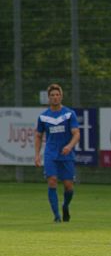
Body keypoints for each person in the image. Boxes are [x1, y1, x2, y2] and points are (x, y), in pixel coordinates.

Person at [34, 84, 80, 223]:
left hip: (66, 154)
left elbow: (76, 133)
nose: (55, 97)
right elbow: (38, 136)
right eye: (52, 95)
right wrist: (37, 155)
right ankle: (57, 216)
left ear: (61, 96)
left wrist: (69, 146)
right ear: (48, 98)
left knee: (68, 186)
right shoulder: (43, 117)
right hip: (50, 154)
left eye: (57, 95)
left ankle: (65, 206)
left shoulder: (69, 114)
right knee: (52, 181)